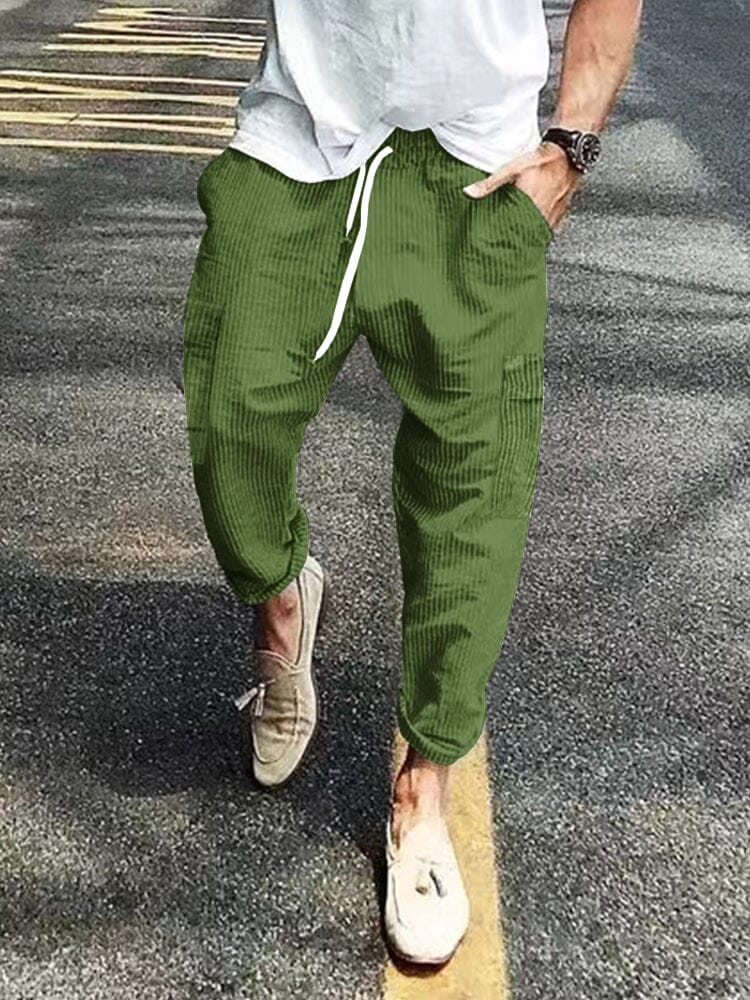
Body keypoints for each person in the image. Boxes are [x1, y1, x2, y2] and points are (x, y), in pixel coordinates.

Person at [182, 0, 642, 966]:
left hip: (476, 159)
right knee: (230, 418)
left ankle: (422, 787)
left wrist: (572, 144)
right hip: (298, 135)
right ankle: (283, 601)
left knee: (475, 485)